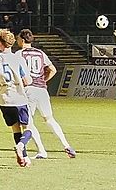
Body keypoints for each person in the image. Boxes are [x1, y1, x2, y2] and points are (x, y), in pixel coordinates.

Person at [16, 29, 76, 159]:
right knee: (49, 119)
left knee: (28, 123)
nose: (17, 41)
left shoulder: (19, 54)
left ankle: (41, 150)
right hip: (42, 90)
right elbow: (53, 69)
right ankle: (66, 145)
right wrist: (44, 80)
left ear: (22, 40)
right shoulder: (40, 53)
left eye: (18, 38)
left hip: (28, 90)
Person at [0, 29, 34, 167]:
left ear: (0, 44)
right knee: (28, 128)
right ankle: (21, 146)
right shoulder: (18, 59)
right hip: (19, 98)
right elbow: (28, 80)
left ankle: (24, 157)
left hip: (4, 100)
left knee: (15, 128)